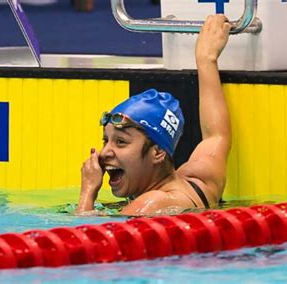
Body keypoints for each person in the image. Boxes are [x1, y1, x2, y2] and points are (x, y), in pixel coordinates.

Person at [76, 14, 232, 216]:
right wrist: (206, 59)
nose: (105, 152)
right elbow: (217, 135)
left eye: (121, 142)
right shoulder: (201, 180)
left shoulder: (152, 203)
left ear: (157, 152)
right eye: (106, 140)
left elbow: (89, 242)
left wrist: (87, 193)